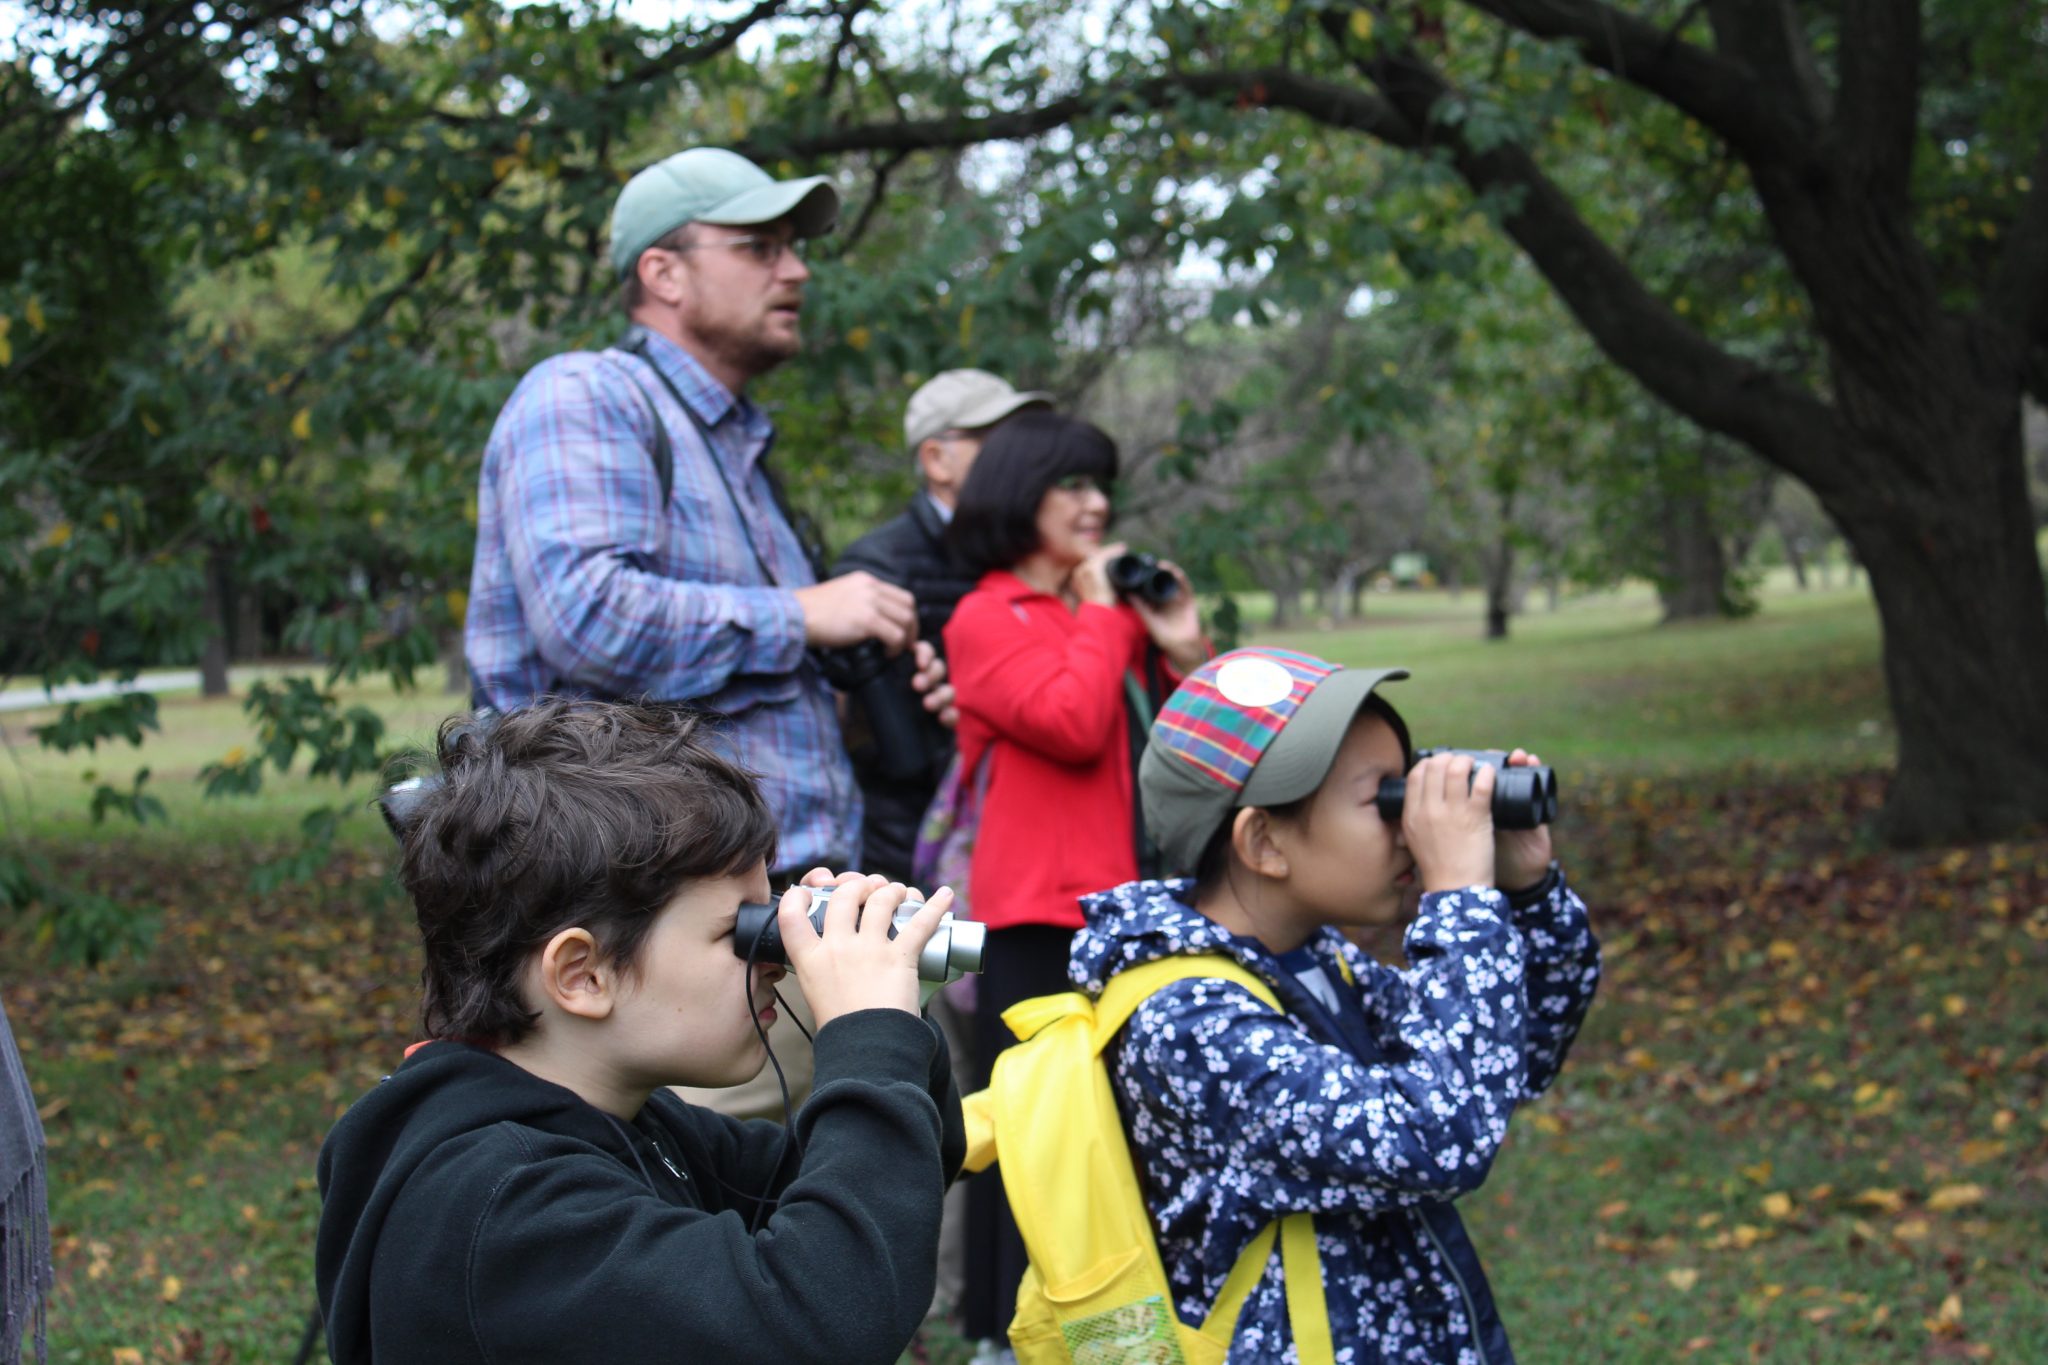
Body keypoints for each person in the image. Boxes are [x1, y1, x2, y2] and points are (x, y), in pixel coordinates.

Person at [463, 145, 952, 1118]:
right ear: (663, 272)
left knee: (831, 1236)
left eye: (793, 248)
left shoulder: (736, 451)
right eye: (758, 246)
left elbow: (745, 690)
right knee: (700, 1252)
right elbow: (587, 618)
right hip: (648, 953)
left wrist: (863, 692)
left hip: (775, 935)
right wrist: (804, 615)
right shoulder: (585, 396)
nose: (796, 269)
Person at [315, 700, 965, 1365]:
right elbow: (825, 1320)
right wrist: (868, 1034)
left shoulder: (629, 1123)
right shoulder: (503, 1207)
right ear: (583, 974)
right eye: (737, 931)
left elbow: (870, 1197)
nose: (775, 957)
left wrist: (895, 1014)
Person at [1069, 646, 1601, 1361]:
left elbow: (1505, 1055)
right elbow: (1440, 1136)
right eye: (1384, 798)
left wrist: (1526, 893)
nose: (1411, 821)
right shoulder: (1188, 1019)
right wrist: (1460, 900)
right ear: (1264, 840)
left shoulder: (1308, 960)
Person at [941, 410, 1208, 1352]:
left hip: (1126, 907)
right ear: (1022, 495)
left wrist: (1178, 643)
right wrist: (1105, 615)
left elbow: (1198, 751)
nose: (1097, 505)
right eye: (1074, 487)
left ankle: (1114, 1321)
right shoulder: (984, 616)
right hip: (1034, 916)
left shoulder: (1096, 615)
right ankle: (999, 1331)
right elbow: (1071, 720)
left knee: (1117, 1125)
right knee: (1033, 1126)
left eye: (1102, 487)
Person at [832, 370, 1051, 885]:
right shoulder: (877, 567)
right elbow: (865, 735)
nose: (1021, 461)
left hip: (1020, 833)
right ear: (936, 459)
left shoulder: (1032, 555)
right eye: (997, 444)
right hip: (913, 846)